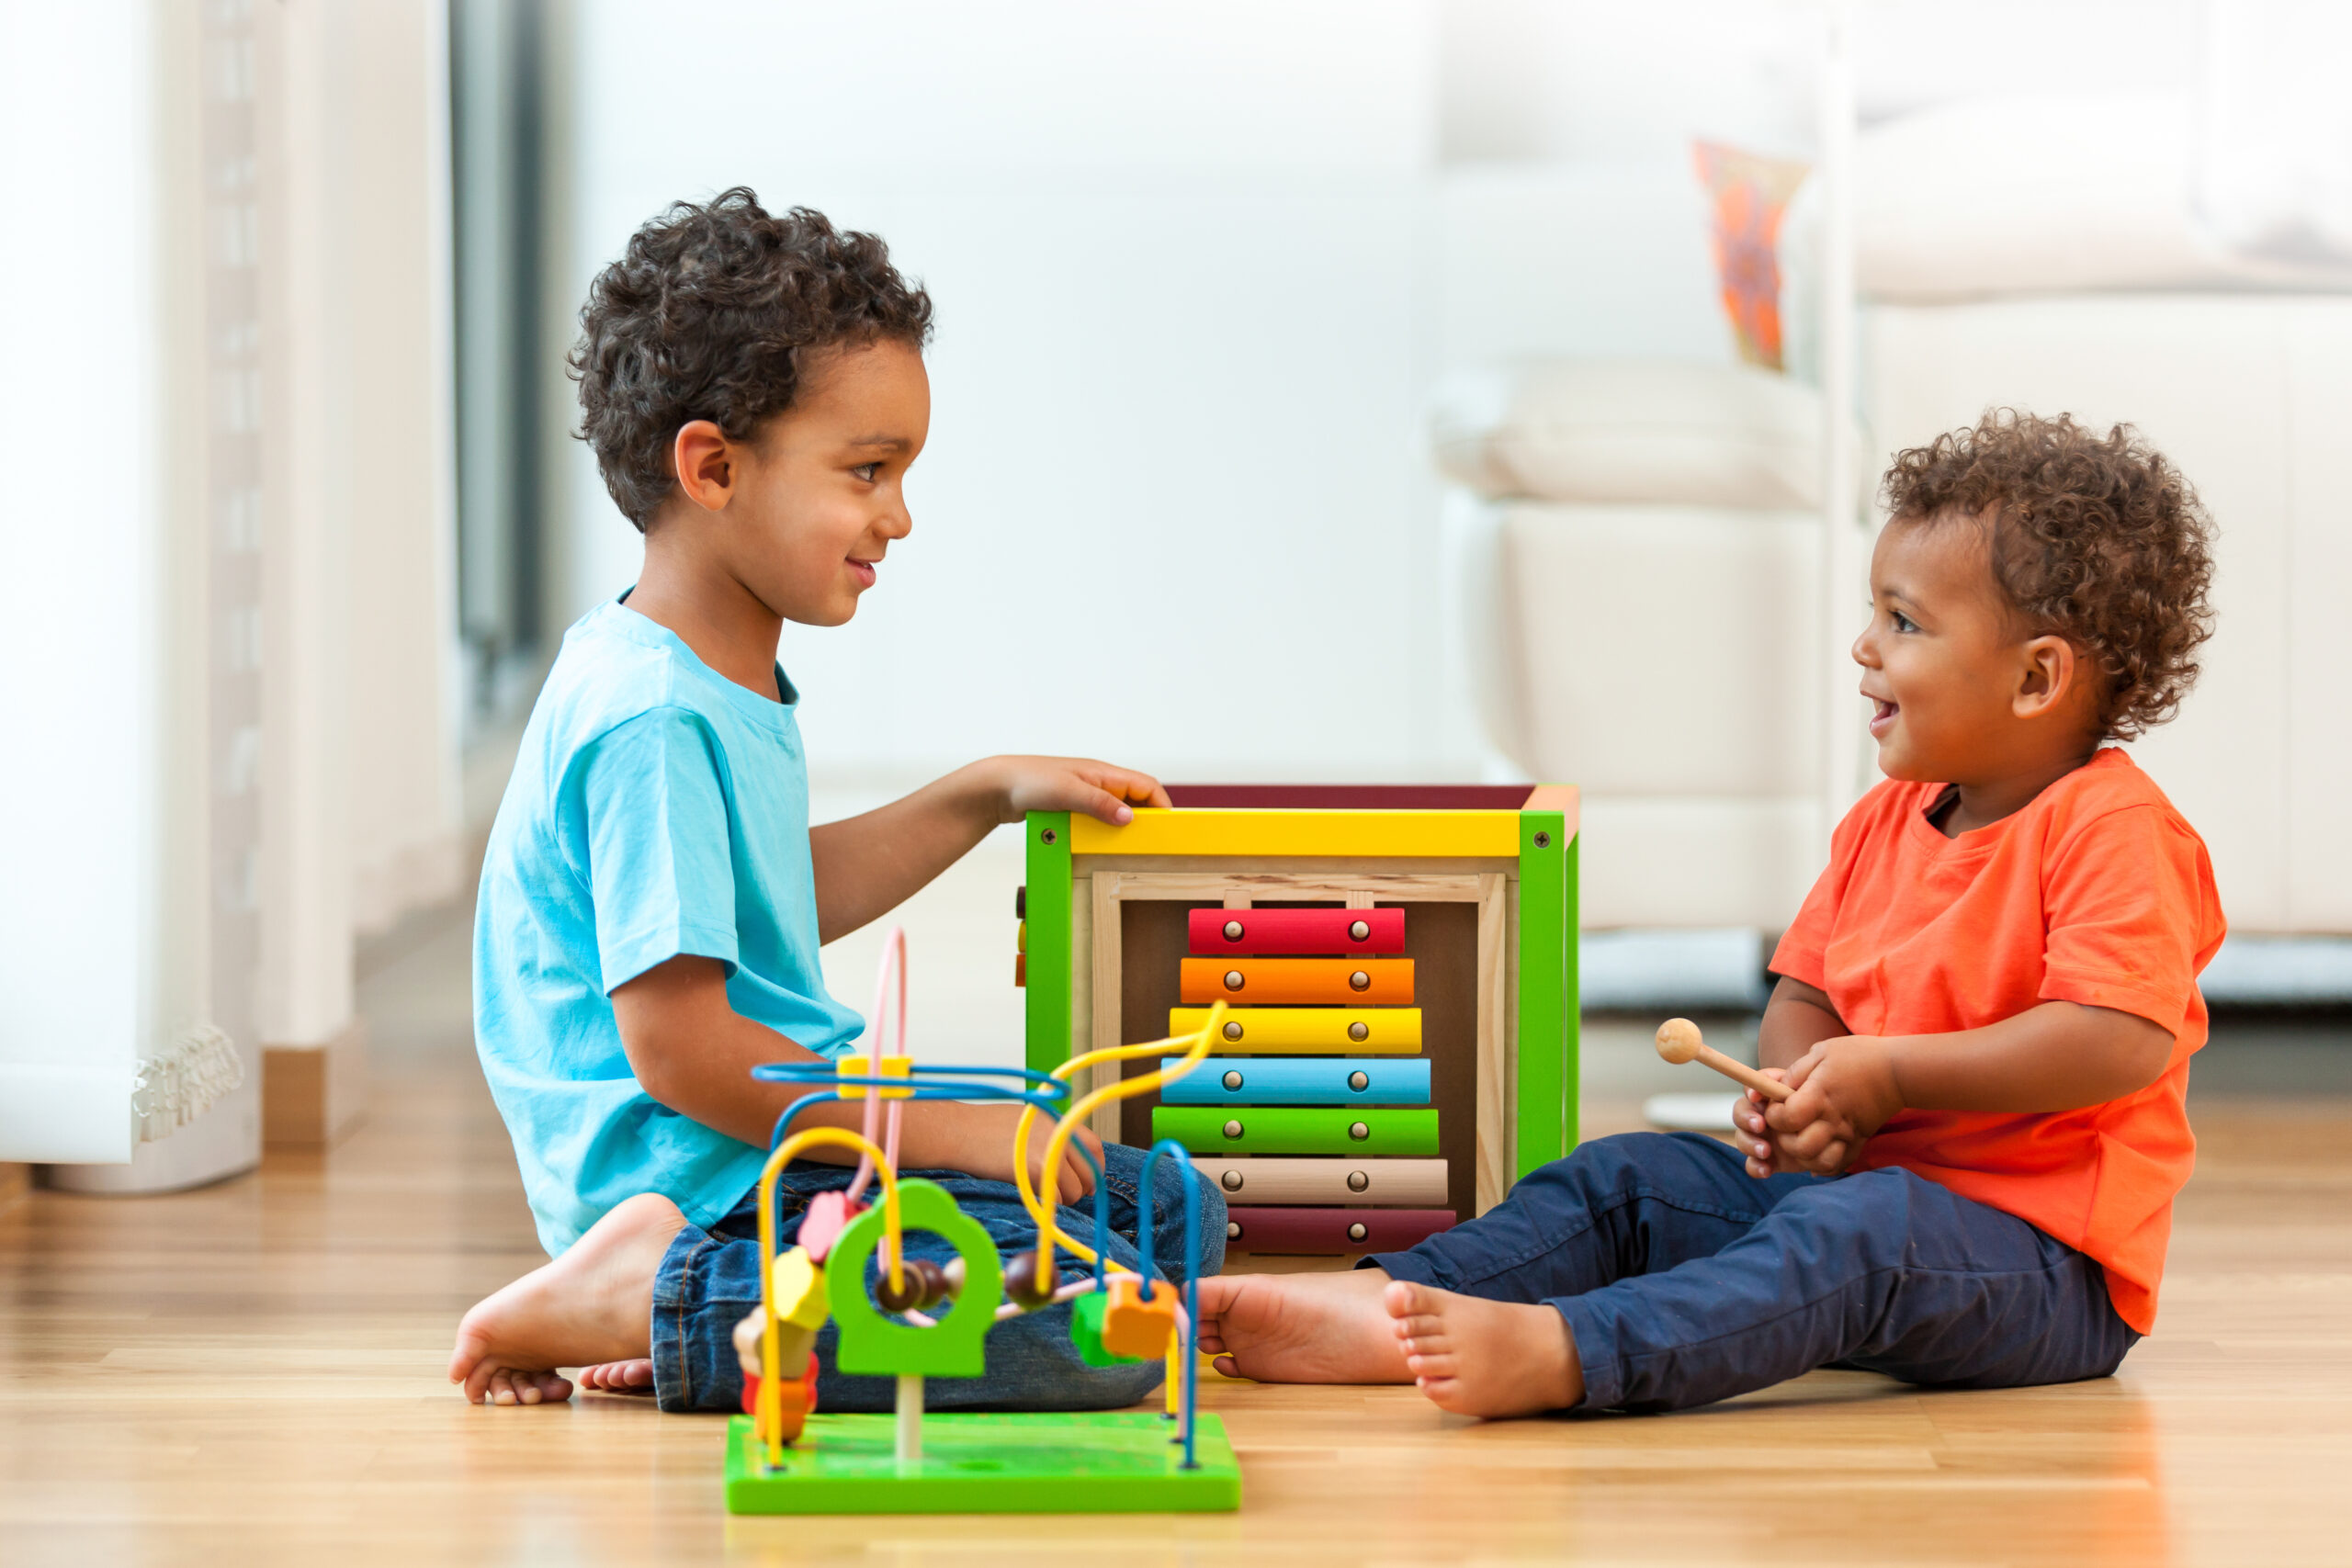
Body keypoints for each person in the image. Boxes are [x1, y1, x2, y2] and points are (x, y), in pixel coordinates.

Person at [1196, 411, 2224, 1417]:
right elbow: (1805, 995)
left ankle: (1570, 1354)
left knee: (1853, 1237)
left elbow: (2115, 1037)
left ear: (2037, 677)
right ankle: (1394, 1301)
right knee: (1626, 1178)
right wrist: (1798, 1090)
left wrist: (1890, 1074)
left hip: (2041, 1267)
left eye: (1903, 622)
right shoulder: (1883, 821)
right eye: (1874, 613)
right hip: (1861, 1201)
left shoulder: (2114, 830)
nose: (1864, 648)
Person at [447, 190, 1218, 1411]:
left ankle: (706, 1299)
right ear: (712, 466)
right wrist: (939, 1127)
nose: (897, 516)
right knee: (1110, 1328)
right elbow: (686, 1053)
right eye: (868, 471)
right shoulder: (652, 714)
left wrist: (978, 794)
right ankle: (666, 1295)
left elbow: (765, 898)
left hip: (775, 1153)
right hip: (708, 1174)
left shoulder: (708, 677)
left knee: (1171, 1214)